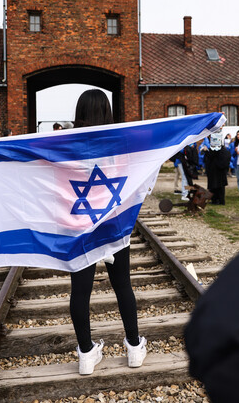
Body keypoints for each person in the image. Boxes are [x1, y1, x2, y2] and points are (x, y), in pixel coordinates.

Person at [69, 89, 146, 375]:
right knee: (123, 285)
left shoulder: (68, 144)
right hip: (113, 226)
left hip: (81, 227)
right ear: (107, 111)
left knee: (80, 291)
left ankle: (87, 354)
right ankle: (135, 348)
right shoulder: (121, 143)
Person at [204, 133, 230, 205]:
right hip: (215, 171)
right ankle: (216, 200)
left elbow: (211, 158)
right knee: (216, 186)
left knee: (218, 187)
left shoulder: (220, 150)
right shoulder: (216, 150)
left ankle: (218, 200)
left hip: (218, 171)